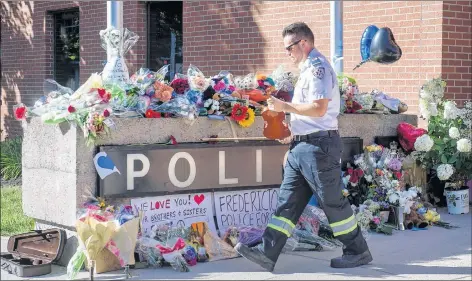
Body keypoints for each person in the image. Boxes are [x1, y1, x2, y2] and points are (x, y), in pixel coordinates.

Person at [234, 22, 372, 271]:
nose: (287, 53)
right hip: (304, 146)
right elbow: (307, 114)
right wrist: (293, 137)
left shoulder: (318, 69)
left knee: (332, 202)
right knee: (287, 203)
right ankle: (268, 252)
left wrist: (283, 107)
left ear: (304, 43)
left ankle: (357, 250)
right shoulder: (308, 69)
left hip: (319, 146)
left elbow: (319, 108)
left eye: (289, 47)